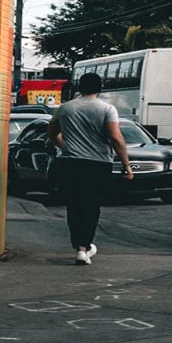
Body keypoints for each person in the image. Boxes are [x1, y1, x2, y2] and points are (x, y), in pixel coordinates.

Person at [46, 72, 133, 265]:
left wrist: (64, 147)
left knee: (74, 205)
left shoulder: (65, 108)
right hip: (98, 164)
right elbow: (116, 138)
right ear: (100, 86)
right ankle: (86, 245)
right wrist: (126, 165)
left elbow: (51, 133)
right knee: (91, 204)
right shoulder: (107, 109)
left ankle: (79, 247)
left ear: (79, 87)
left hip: (71, 163)